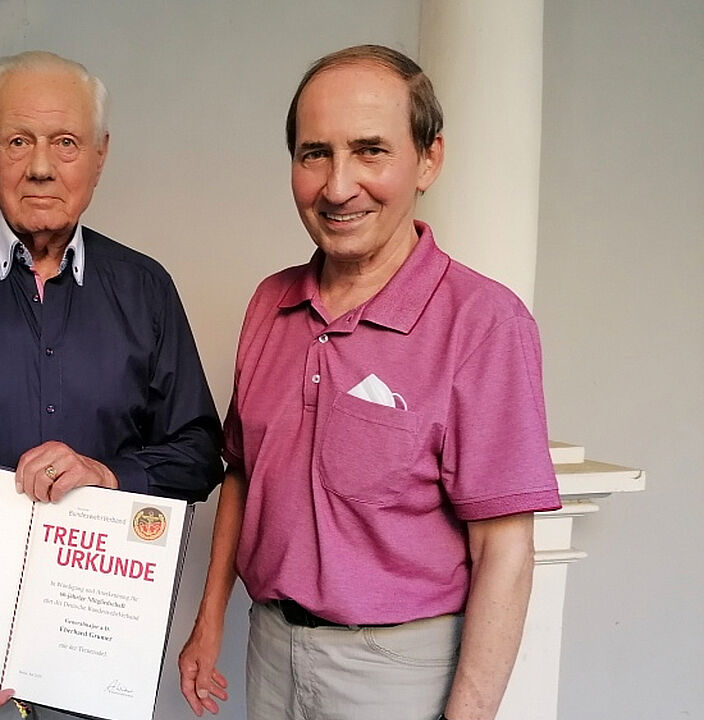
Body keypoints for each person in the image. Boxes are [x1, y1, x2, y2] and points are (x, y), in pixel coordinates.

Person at [178, 45, 562, 720]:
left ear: (429, 160)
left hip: (399, 674)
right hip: (269, 650)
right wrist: (210, 621)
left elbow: (504, 548)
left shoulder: (485, 324)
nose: (337, 185)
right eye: (314, 153)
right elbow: (241, 473)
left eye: (370, 151)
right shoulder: (270, 303)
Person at [0, 50, 223, 720]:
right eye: (19, 141)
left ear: (100, 154)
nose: (43, 166)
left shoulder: (146, 291)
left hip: (96, 647)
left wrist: (108, 475)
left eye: (65, 142)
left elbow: (198, 452)